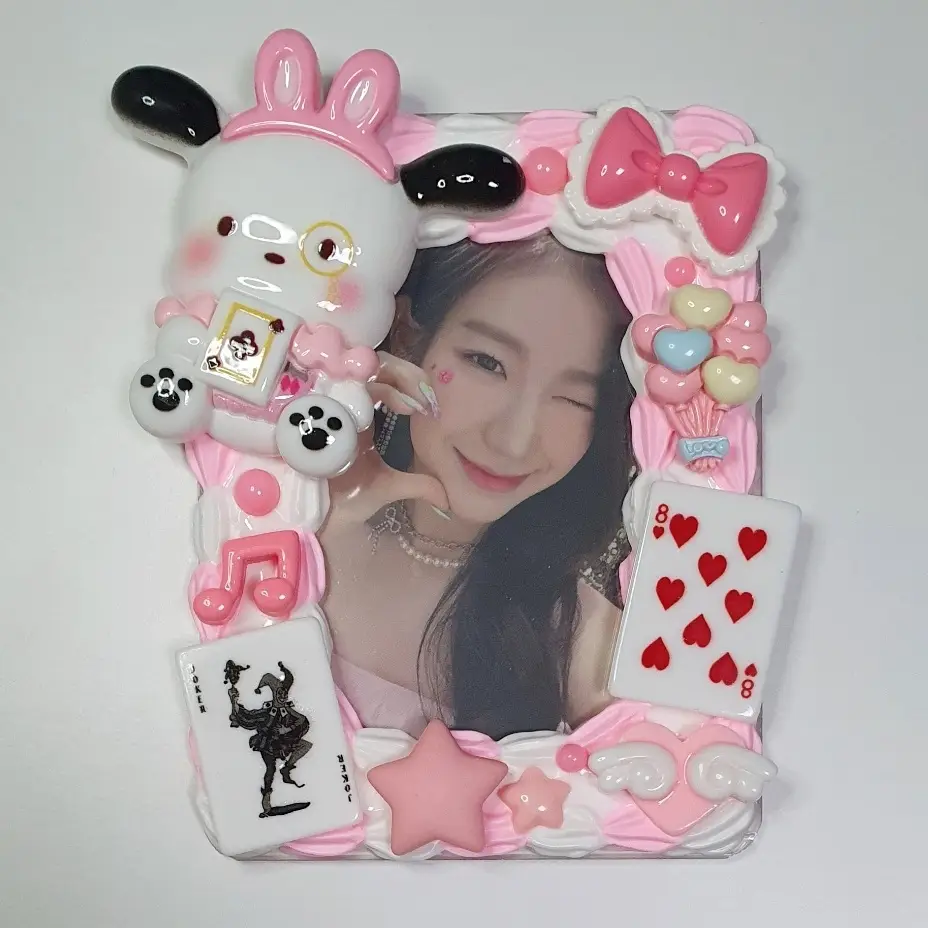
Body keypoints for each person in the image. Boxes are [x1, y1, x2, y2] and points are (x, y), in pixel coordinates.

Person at [319, 232, 635, 739]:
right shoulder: (290, 520)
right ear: (406, 338)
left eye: (575, 399)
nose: (513, 441)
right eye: (487, 363)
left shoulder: (583, 642)